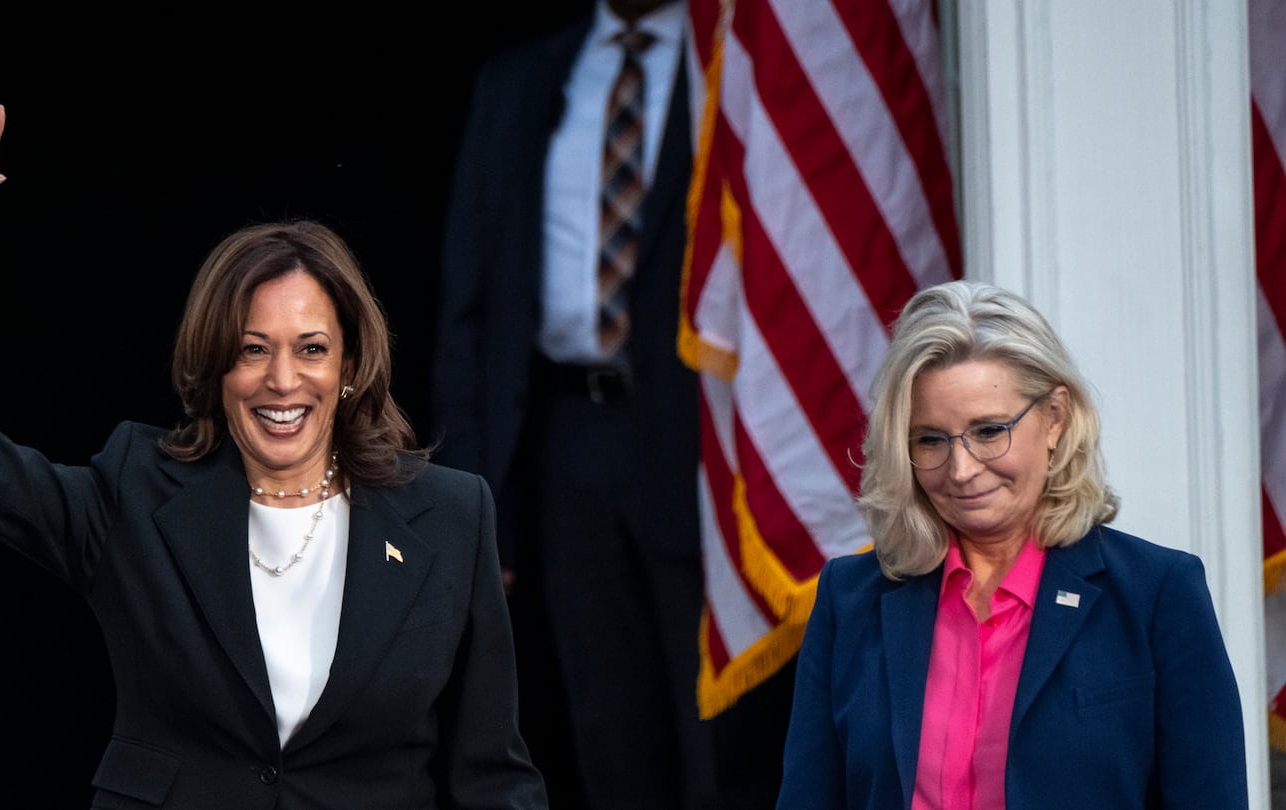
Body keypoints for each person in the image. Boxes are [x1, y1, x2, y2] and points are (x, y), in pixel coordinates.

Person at [0, 87, 548, 809]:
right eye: (252, 350)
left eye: (310, 348)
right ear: (215, 367)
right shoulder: (135, 492)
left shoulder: (449, 514)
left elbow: (492, 775)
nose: (282, 381)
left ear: (349, 367)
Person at [428, 0, 794, 807]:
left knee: (724, 747)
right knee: (607, 736)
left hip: (710, 448)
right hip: (564, 446)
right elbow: (471, 306)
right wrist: (471, 495)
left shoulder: (740, 67)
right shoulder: (519, 81)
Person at [774, 279, 1250, 808]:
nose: (961, 468)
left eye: (988, 430)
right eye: (930, 439)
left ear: (1055, 418)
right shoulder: (850, 598)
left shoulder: (1158, 593)